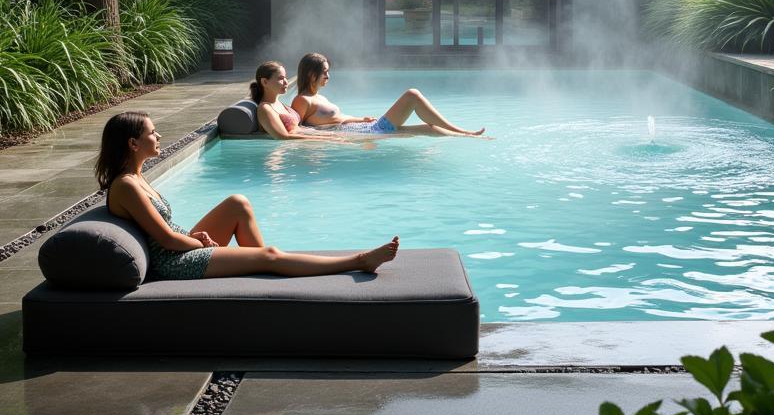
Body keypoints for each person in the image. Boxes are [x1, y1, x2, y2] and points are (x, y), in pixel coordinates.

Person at [99, 111, 399, 280]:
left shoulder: (136, 177)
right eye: (152, 133)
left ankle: (265, 272)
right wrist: (198, 241)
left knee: (237, 203)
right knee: (269, 254)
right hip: (172, 261)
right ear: (133, 144)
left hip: (182, 245)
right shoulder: (126, 185)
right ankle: (359, 261)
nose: (159, 136)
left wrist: (194, 239)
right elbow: (166, 239)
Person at [289, 52, 485, 138]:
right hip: (366, 132)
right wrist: (332, 137)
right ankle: (463, 131)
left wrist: (359, 118)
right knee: (412, 95)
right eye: (324, 72)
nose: (328, 76)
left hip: (365, 127)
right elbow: (297, 129)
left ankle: (465, 137)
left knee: (430, 129)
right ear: (311, 74)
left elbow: (334, 119)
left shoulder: (319, 97)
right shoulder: (302, 100)